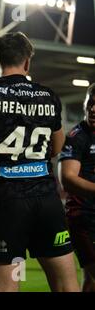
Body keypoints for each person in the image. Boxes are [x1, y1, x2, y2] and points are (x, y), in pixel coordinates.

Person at [0, 31, 79, 292]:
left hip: (8, 203)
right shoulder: (48, 95)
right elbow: (58, 145)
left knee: (6, 287)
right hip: (47, 202)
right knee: (67, 287)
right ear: (28, 62)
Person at [58, 83, 95, 292]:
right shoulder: (77, 136)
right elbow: (68, 179)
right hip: (83, 219)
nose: (93, 109)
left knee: (90, 281)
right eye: (90, 103)